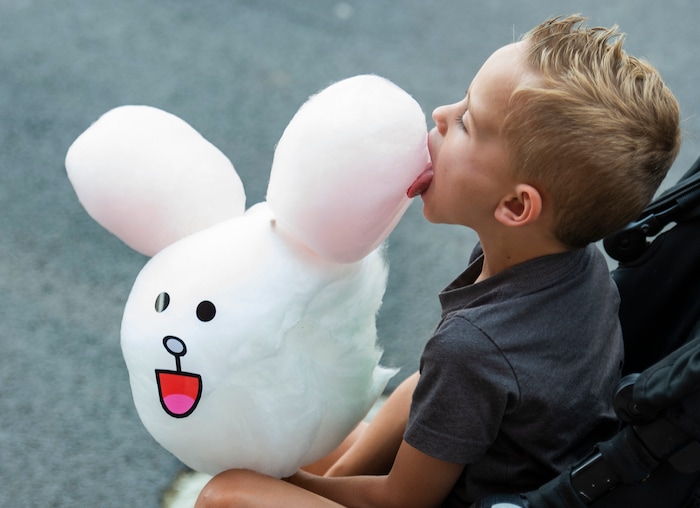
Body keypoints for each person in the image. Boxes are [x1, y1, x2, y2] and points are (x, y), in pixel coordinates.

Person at [195, 14, 681, 507]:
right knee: (291, 428)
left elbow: (402, 500)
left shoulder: (476, 347)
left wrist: (286, 484)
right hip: (513, 465)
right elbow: (430, 387)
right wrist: (328, 475)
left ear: (515, 207)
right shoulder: (577, 267)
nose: (442, 114)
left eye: (468, 122)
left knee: (228, 492)